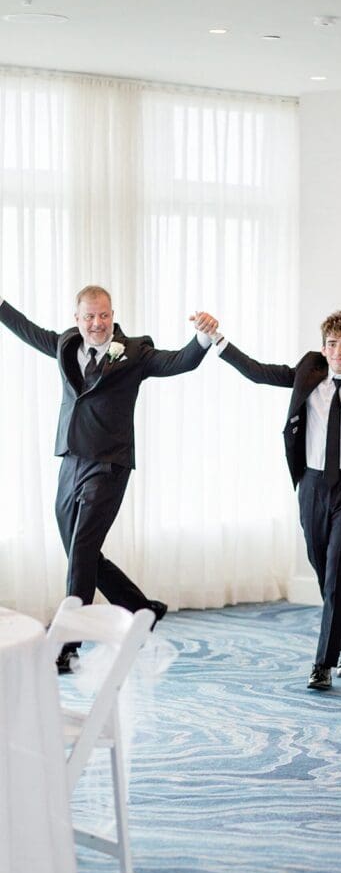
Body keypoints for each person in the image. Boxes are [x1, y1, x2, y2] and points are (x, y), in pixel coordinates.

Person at [0, 286, 218, 671]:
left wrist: (201, 337)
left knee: (82, 547)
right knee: (78, 549)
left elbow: (180, 361)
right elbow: (26, 329)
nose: (97, 324)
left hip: (109, 464)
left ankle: (67, 644)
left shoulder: (133, 353)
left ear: (112, 314)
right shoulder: (67, 345)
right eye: (90, 317)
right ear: (77, 319)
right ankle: (140, 607)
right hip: (71, 459)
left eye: (104, 316)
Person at [209, 309, 341, 690]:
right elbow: (258, 371)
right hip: (313, 486)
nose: (338, 351)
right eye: (332, 344)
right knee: (323, 570)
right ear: (323, 347)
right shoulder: (309, 372)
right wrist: (219, 340)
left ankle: (323, 664)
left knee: (338, 572)